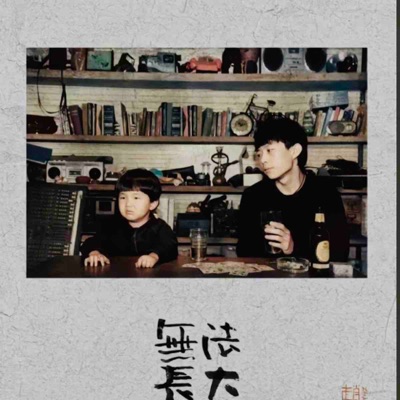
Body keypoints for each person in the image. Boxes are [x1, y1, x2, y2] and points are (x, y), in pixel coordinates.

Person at [236, 117, 349, 261]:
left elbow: (340, 252)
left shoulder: (326, 194)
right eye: (259, 154)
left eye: (270, 151)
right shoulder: (253, 196)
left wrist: (293, 248)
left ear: (295, 151)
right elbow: (244, 251)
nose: (262, 160)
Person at [81, 168, 178, 268]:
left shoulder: (160, 228)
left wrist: (154, 256)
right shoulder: (112, 226)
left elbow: (169, 246)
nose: (128, 204)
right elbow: (92, 242)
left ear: (152, 204)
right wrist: (94, 253)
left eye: (136, 198)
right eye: (123, 197)